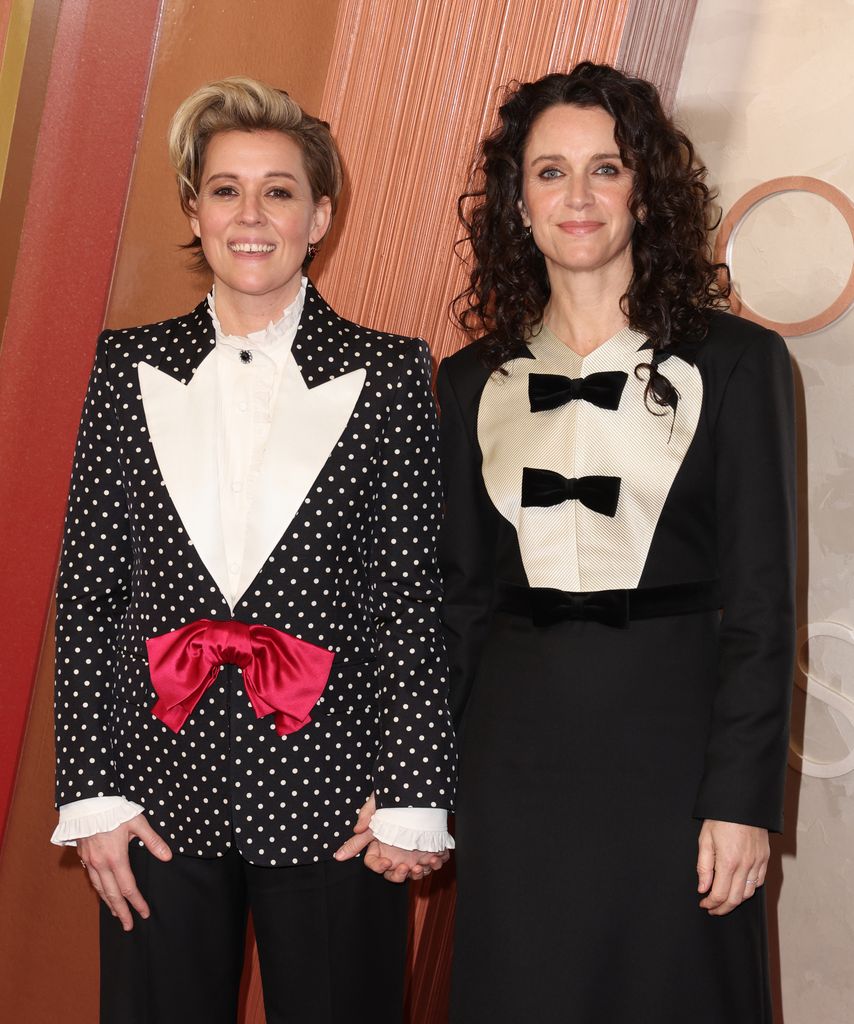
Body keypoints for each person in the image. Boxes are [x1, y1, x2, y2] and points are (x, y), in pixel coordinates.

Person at [52, 76, 455, 1024]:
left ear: (320, 215)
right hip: (156, 789)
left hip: (339, 791)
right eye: (226, 189)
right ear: (194, 209)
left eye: (279, 190)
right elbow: (91, 595)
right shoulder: (125, 368)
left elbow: (409, 597)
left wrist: (412, 790)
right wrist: (92, 792)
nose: (251, 214)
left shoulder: (392, 374)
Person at [439, 61, 795, 1023]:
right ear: (518, 202)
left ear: (647, 190)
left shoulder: (741, 362)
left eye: (607, 167)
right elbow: (460, 604)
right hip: (512, 762)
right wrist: (427, 786)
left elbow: (763, 604)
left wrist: (743, 797)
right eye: (550, 172)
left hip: (675, 757)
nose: (579, 197)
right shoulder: (469, 380)